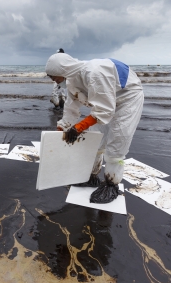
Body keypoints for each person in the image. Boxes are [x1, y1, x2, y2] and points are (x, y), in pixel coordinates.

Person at [45, 53, 144, 203]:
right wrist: (62, 129)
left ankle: (111, 184)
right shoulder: (71, 80)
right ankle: (91, 177)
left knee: (118, 138)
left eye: (53, 76)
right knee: (95, 139)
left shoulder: (94, 72)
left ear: (62, 70)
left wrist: (79, 127)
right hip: (107, 101)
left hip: (127, 97)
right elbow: (71, 109)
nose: (53, 80)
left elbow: (104, 110)